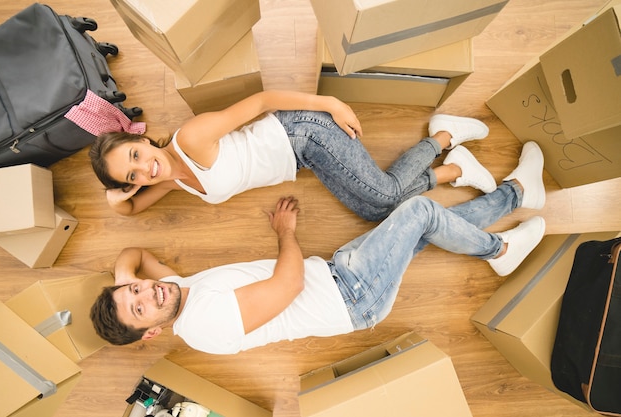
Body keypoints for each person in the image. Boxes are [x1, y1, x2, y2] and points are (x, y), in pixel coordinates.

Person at [90, 141, 547, 355]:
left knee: (428, 230)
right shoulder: (204, 325)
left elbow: (133, 254)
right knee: (419, 214)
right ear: (150, 333)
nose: (149, 293)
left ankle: (517, 195)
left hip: (338, 273)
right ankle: (498, 251)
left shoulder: (169, 291)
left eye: (137, 291)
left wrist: (123, 282)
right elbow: (287, 286)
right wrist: (285, 231)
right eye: (140, 308)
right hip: (353, 296)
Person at [89, 90, 496, 221]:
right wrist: (116, 195)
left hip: (304, 132)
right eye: (132, 176)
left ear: (140, 141)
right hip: (304, 158)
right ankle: (456, 170)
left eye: (135, 155)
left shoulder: (191, 140)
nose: (143, 168)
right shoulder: (168, 180)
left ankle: (444, 137)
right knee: (374, 212)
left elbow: (263, 100)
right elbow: (130, 211)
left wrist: (331, 103)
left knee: (387, 195)